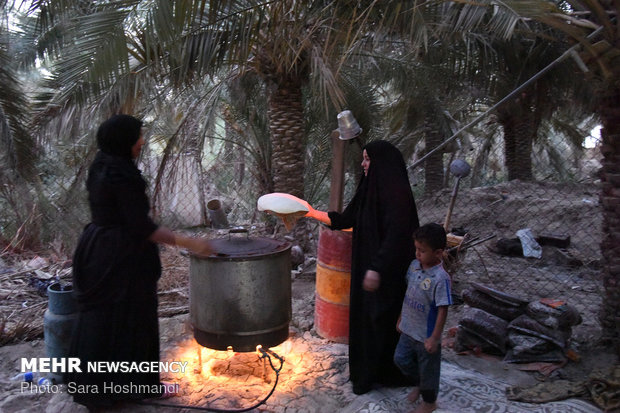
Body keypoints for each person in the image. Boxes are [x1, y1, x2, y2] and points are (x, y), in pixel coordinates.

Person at [67, 114, 213, 409]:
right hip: (122, 258)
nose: (141, 142)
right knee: (135, 320)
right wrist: (192, 242)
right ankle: (140, 387)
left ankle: (95, 390)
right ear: (124, 140)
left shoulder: (102, 164)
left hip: (96, 248)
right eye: (137, 137)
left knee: (102, 319)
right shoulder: (123, 175)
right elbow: (142, 228)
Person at [305, 140, 419, 395]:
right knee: (365, 320)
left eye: (367, 159)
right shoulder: (368, 189)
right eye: (363, 158)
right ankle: (365, 375)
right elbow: (347, 219)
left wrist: (377, 268)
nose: (363, 164)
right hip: (367, 267)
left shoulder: (397, 194)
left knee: (382, 320)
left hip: (387, 271)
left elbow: (398, 236)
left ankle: (387, 373)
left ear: (381, 163)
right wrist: (311, 212)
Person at [394, 223, 452, 413]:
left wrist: (435, 337)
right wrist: (402, 318)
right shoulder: (413, 267)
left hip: (425, 336)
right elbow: (409, 294)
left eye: (422, 251)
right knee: (400, 359)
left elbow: (442, 310)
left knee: (430, 370)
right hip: (408, 329)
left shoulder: (441, 279)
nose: (418, 254)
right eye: (416, 249)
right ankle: (419, 383)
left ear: (438, 253)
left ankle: (429, 402)